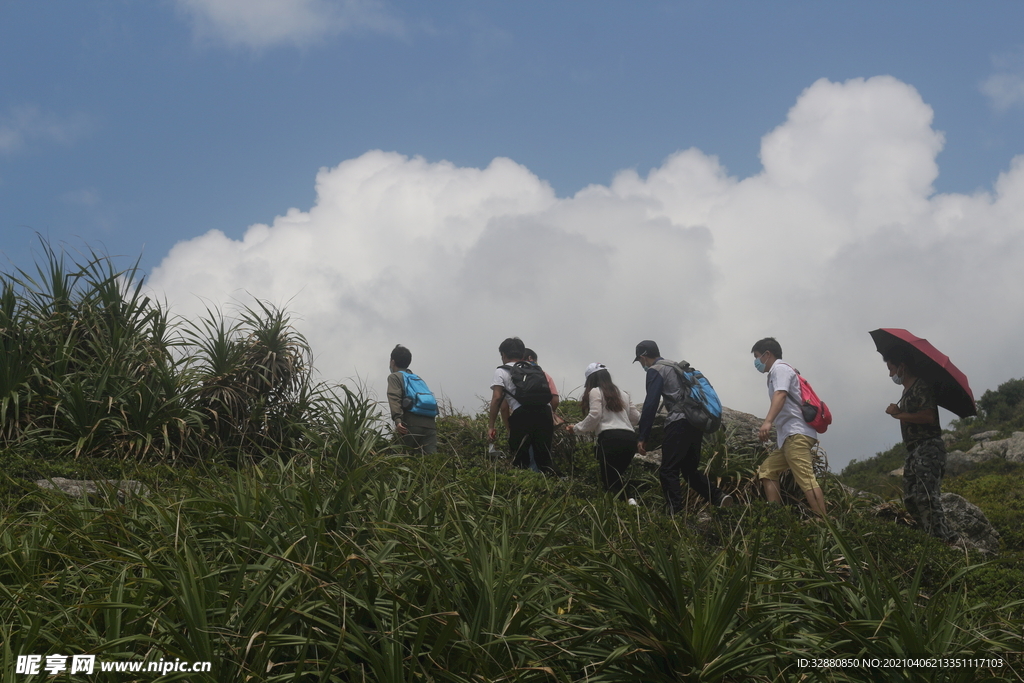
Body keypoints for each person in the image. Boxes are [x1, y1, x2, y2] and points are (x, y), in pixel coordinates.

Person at [634, 340, 732, 513]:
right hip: (695, 422)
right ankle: (719, 497)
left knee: (668, 469)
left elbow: (651, 404)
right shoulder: (675, 366)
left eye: (640, 361)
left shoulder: (655, 370)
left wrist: (643, 435)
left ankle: (675, 514)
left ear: (642, 357)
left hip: (679, 422)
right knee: (689, 470)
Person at [883, 348, 957, 542]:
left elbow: (928, 416)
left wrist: (899, 415)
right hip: (913, 451)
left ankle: (942, 540)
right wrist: (899, 411)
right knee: (910, 499)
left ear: (902, 366)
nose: (891, 374)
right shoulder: (906, 391)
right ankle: (927, 537)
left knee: (926, 496)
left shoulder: (921, 386)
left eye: (892, 369)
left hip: (929, 447)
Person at [751, 337, 826, 517]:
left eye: (757, 357)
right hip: (788, 437)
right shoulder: (776, 372)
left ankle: (825, 524)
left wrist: (768, 421)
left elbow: (781, 394)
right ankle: (777, 518)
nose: (756, 362)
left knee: (806, 479)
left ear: (767, 354)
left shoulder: (780, 369)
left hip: (796, 434)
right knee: (767, 471)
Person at [569, 363, 640, 496]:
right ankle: (631, 505)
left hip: (610, 439)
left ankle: (629, 504)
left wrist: (576, 428)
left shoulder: (595, 391)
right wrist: (620, 420)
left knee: (610, 481)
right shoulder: (623, 394)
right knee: (616, 477)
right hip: (630, 439)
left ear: (590, 379)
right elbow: (635, 418)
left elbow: (595, 416)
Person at [487, 337, 555, 473]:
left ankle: (530, 488)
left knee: (522, 459)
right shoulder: (534, 368)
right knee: (544, 457)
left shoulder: (501, 371)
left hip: (522, 415)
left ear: (503, 355)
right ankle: (551, 485)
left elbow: (498, 400)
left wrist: (491, 426)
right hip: (545, 414)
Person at [386, 344, 438, 454]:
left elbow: (394, 398)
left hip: (411, 424)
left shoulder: (394, 377)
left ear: (393, 362)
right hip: (430, 425)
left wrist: (398, 420)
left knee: (403, 458)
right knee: (432, 461)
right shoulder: (417, 378)